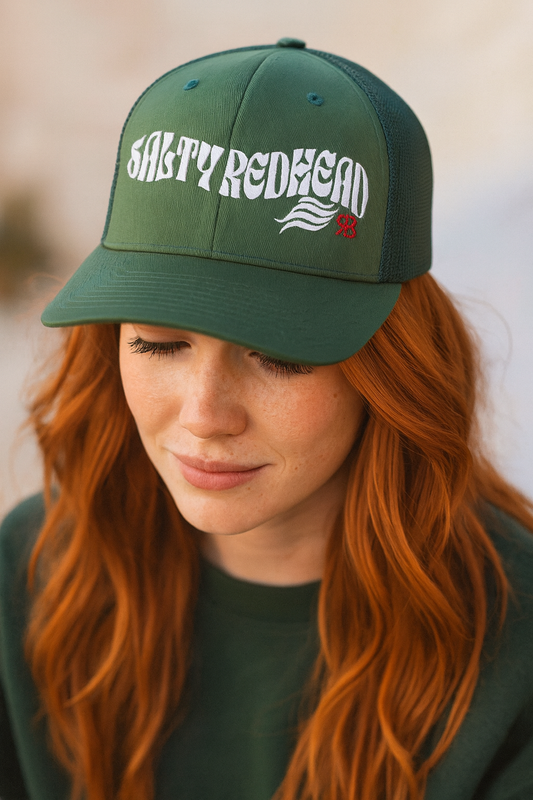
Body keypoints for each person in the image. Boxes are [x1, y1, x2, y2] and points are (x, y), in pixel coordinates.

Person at [1, 37, 532, 800]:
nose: (204, 414)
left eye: (278, 355)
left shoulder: (513, 646)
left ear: (389, 369)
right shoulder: (30, 571)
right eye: (157, 343)